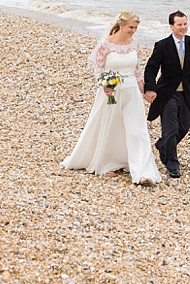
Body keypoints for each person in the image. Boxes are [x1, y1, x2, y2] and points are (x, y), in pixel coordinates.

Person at [62, 11, 162, 186]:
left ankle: (141, 170)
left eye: (136, 28)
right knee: (110, 127)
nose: (133, 31)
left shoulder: (135, 44)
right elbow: (98, 70)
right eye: (131, 27)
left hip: (131, 90)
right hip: (112, 92)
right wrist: (105, 86)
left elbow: (137, 71)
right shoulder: (106, 45)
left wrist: (145, 91)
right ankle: (106, 164)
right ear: (121, 25)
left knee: (136, 129)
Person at [144, 10, 190, 179]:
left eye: (185, 24)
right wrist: (150, 89)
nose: (183, 27)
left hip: (185, 93)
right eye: (179, 24)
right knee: (170, 129)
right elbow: (151, 69)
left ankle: (162, 145)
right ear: (171, 26)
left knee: (184, 126)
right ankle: (172, 163)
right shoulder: (162, 45)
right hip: (167, 94)